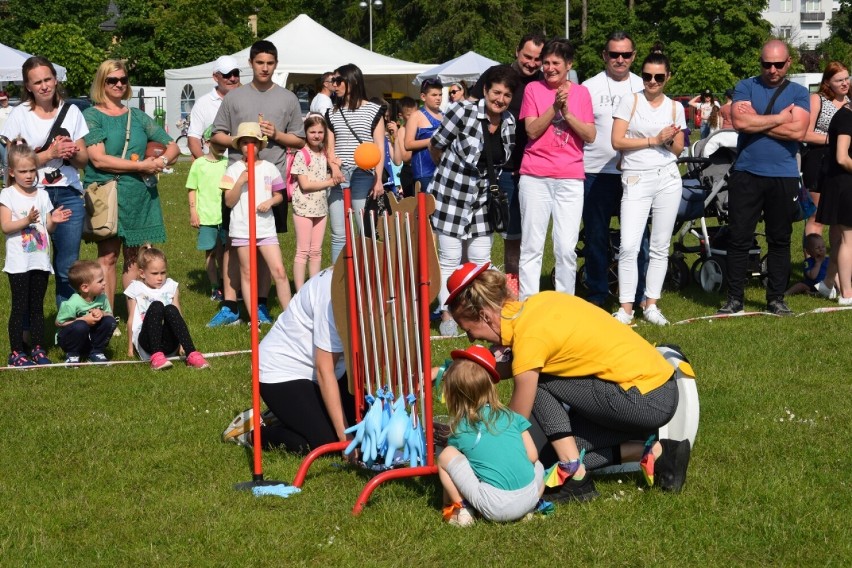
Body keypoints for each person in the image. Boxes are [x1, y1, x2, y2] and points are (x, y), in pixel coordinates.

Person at [444, 263, 691, 502]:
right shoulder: (537, 305)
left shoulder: (529, 339)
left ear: (486, 316)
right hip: (657, 389)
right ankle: (658, 453)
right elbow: (510, 365)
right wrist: (458, 374)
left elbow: (516, 422)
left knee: (539, 391)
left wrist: (487, 450)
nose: (471, 338)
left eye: (469, 331)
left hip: (644, 400)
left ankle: (575, 475)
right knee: (548, 459)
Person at [210, 40, 306, 326]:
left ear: (276, 65)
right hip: (237, 181)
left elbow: (299, 140)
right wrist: (244, 140)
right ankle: (230, 305)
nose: (265, 68)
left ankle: (261, 305)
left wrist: (275, 134)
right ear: (251, 63)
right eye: (260, 62)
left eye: (270, 63)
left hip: (271, 180)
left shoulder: (288, 99)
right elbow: (216, 136)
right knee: (232, 243)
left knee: (267, 246)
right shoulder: (234, 98)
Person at [720, 39, 809, 316]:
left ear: (788, 63)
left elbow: (798, 133)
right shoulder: (745, 86)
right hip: (746, 174)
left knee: (780, 239)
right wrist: (781, 118)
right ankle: (735, 299)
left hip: (783, 175)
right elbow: (740, 122)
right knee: (739, 237)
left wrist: (759, 121)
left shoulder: (798, 92)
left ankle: (776, 299)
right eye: (766, 64)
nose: (772, 69)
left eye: (778, 64)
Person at [83, 59, 180, 316]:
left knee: (134, 259)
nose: (118, 84)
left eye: (123, 80)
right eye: (111, 80)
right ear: (101, 83)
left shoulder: (137, 116)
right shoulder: (91, 115)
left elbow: (173, 145)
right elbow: (98, 159)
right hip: (108, 192)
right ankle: (106, 317)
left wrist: (159, 161)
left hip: (139, 194)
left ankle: (137, 317)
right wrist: (141, 166)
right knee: (108, 258)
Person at [222, 268, 356, 452]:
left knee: (365, 424)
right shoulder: (333, 294)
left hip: (331, 372)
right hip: (282, 370)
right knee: (327, 444)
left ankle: (284, 414)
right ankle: (253, 432)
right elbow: (325, 370)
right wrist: (345, 439)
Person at [429, 65, 519, 337]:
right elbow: (437, 144)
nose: (500, 99)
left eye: (506, 94)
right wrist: (447, 177)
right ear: (485, 90)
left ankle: (483, 311)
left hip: (482, 201)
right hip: (451, 197)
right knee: (450, 258)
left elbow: (501, 161)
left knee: (480, 260)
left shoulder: (510, 123)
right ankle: (447, 313)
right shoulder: (461, 112)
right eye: (496, 92)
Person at [1, 56, 89, 308]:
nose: (44, 86)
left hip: (68, 193)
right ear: (28, 86)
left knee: (68, 267)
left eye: (48, 79)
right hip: (31, 195)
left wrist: (73, 151)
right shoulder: (19, 114)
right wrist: (49, 154)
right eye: (37, 82)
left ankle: (68, 325)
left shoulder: (72, 111)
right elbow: (12, 165)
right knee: (31, 266)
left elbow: (84, 160)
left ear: (56, 79)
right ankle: (29, 330)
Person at [610, 47, 686, 326]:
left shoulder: (676, 107)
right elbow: (617, 141)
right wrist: (654, 139)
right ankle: (626, 308)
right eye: (646, 76)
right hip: (636, 177)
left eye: (658, 77)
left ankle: (651, 303)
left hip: (667, 177)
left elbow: (678, 148)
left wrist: (668, 139)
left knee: (660, 245)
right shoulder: (629, 101)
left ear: (668, 77)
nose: (652, 82)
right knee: (629, 244)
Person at [517, 38, 595, 299]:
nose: (549, 68)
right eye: (545, 63)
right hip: (535, 176)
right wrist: (554, 108)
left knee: (565, 247)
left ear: (568, 65)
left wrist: (568, 112)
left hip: (570, 177)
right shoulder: (533, 90)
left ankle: (565, 305)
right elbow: (531, 130)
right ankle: (527, 303)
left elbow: (590, 135)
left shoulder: (581, 93)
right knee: (531, 246)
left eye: (555, 64)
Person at [438, 345, 545, 526]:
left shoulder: (462, 427)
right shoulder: (513, 416)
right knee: (539, 465)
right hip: (530, 497)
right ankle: (526, 511)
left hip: (495, 505)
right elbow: (533, 456)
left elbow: (457, 463)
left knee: (446, 455)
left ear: (453, 396)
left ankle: (460, 509)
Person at [471, 33, 545, 293]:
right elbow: (470, 108)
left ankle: (513, 286)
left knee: (517, 235)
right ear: (516, 51)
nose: (532, 63)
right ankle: (479, 287)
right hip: (493, 168)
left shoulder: (543, 83)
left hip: (528, 169)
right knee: (483, 231)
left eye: (538, 59)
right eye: (527, 56)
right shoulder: (496, 74)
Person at [581, 30, 649, 308]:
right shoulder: (588, 87)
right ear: (604, 56)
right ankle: (597, 293)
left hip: (634, 173)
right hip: (595, 172)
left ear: (633, 56)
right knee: (595, 236)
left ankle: (640, 295)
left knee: (637, 238)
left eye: (626, 54)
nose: (620, 59)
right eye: (614, 54)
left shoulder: (644, 85)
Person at [1, 141, 72, 366]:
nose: (29, 175)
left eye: (32, 170)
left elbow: (46, 227)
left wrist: (55, 222)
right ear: (12, 172)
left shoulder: (42, 195)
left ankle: (38, 349)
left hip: (40, 260)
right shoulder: (7, 194)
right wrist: (26, 220)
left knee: (37, 308)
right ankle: (16, 353)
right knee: (20, 307)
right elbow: (6, 227)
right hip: (19, 262)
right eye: (23, 171)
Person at [221, 122, 292, 316]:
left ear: (261, 145)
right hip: (242, 228)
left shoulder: (269, 168)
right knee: (247, 272)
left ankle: (290, 316)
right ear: (239, 145)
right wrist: (241, 181)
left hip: (265, 227)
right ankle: (254, 318)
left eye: (253, 142)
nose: (249, 146)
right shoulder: (233, 170)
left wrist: (270, 202)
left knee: (279, 271)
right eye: (244, 142)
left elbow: (280, 195)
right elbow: (228, 201)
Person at [325, 63, 386, 262]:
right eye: (333, 81)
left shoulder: (374, 110)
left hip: (363, 174)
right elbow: (330, 148)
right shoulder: (331, 113)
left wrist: (378, 180)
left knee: (364, 231)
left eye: (338, 80)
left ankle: (367, 280)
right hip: (339, 174)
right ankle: (336, 285)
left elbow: (379, 147)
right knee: (339, 234)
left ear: (352, 81)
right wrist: (334, 169)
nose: (335, 85)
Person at [124, 245, 209, 370]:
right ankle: (156, 358)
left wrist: (181, 345)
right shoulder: (136, 288)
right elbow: (131, 320)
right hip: (146, 341)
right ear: (142, 273)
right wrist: (130, 349)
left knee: (170, 309)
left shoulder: (171, 286)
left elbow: (178, 316)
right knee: (156, 306)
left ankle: (192, 353)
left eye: (163, 273)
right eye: (154, 273)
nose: (160, 277)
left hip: (169, 344)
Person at [801, 63, 849, 243]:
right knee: (817, 217)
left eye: (847, 78)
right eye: (839, 80)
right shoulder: (817, 99)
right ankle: (813, 265)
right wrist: (836, 140)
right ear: (828, 82)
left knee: (840, 219)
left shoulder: (850, 102)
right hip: (820, 161)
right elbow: (805, 133)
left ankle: (835, 267)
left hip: (843, 164)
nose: (845, 83)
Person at [814, 100, 852, 305]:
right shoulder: (846, 118)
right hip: (844, 184)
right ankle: (847, 294)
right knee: (849, 238)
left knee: (841, 239)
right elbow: (842, 157)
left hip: (840, 183)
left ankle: (828, 283)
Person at [290, 115, 333, 290]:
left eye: (320, 132)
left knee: (316, 251)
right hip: (303, 208)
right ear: (305, 133)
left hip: (321, 208)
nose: (316, 135)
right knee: (303, 251)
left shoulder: (324, 154)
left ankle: (313, 290)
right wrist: (330, 182)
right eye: (312, 132)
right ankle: (300, 292)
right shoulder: (302, 154)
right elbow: (305, 185)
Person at [186, 136, 228, 301]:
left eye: (224, 144)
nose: (221, 147)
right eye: (218, 143)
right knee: (210, 253)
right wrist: (193, 212)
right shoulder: (199, 164)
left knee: (224, 254)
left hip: (225, 216)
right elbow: (192, 188)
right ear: (207, 143)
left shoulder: (227, 162)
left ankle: (227, 285)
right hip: (206, 216)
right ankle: (215, 288)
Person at [55, 260, 117, 364]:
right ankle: (72, 355)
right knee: (80, 326)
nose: (104, 283)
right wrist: (84, 319)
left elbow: (110, 315)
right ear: (85, 287)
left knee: (109, 321)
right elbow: (59, 323)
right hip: (70, 339)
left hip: (90, 339)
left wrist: (102, 313)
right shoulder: (72, 303)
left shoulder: (102, 298)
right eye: (100, 281)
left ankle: (96, 352)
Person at [187, 55, 242, 159]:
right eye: (227, 75)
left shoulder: (247, 99)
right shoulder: (203, 103)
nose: (233, 78)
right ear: (216, 77)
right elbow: (193, 138)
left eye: (236, 73)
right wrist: (205, 164)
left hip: (243, 166)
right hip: (215, 167)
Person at [404, 78, 443, 192]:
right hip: (424, 172)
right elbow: (408, 144)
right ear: (423, 97)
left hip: (443, 169)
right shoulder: (416, 116)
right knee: (427, 208)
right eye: (434, 95)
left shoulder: (444, 115)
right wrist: (432, 141)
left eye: (440, 95)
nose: (438, 98)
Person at [394, 96, 418, 198]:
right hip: (409, 171)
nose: (413, 117)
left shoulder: (421, 128)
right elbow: (405, 157)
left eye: (415, 113)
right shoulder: (402, 131)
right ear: (401, 115)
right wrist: (420, 144)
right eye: (409, 115)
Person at [0, 90, 13, 174]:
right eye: (1, 100)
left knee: (8, 161)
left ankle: (9, 181)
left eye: (5, 99)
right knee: (4, 162)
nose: (3, 102)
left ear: (8, 99)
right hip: (0, 139)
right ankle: (6, 182)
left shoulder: (14, 110)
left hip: (11, 139)